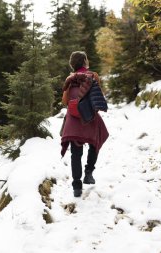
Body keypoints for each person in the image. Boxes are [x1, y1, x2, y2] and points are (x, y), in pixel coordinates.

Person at [60, 51, 109, 197]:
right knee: (96, 141)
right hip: (89, 116)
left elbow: (65, 101)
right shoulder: (92, 76)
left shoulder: (69, 80)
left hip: (73, 118)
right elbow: (97, 96)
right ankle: (88, 172)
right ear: (85, 62)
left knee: (75, 153)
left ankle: (76, 187)